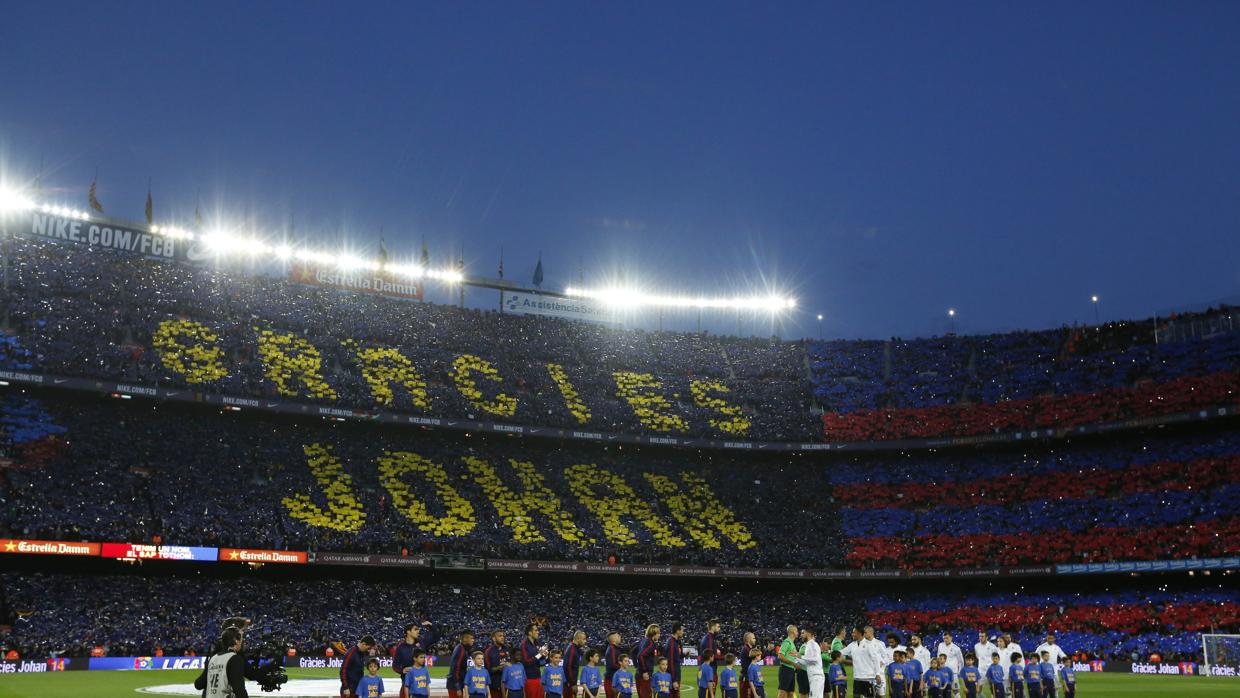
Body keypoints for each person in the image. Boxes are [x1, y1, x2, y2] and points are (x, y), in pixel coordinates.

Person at [194, 627, 249, 698]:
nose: (241, 643)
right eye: (241, 640)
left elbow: (198, 685)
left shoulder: (213, 658)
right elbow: (240, 691)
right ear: (236, 641)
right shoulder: (234, 658)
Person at [842, 627, 885, 698]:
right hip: (857, 678)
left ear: (859, 633)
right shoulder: (852, 645)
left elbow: (876, 660)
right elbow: (842, 652)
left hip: (868, 678)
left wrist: (877, 674)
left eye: (854, 632)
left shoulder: (869, 644)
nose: (852, 634)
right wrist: (828, 652)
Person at [522, 624, 550, 698]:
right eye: (536, 630)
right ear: (530, 633)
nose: (538, 632)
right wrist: (540, 654)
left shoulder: (537, 643)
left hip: (538, 677)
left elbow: (541, 662)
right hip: (529, 679)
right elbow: (526, 662)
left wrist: (545, 656)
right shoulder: (524, 644)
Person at [795, 628, 824, 698]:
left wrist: (801, 656)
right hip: (813, 677)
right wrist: (795, 657)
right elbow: (807, 662)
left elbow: (816, 659)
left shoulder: (812, 644)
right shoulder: (808, 645)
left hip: (816, 677)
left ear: (808, 634)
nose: (801, 635)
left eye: (803, 633)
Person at [634, 625, 661, 698]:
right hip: (644, 676)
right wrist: (644, 671)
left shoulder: (643, 640)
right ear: (653, 633)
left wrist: (637, 667)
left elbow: (633, 652)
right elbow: (641, 656)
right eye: (658, 633)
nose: (659, 635)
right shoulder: (650, 643)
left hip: (639, 674)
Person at [449, 631, 477, 698]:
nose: (473, 640)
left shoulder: (463, 649)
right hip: (455, 684)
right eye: (471, 638)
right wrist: (458, 687)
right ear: (465, 639)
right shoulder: (460, 650)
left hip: (458, 682)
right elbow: (455, 669)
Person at [777, 625, 801, 698]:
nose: (798, 632)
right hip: (785, 669)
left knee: (790, 693)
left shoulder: (792, 643)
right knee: (782, 692)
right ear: (793, 632)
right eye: (797, 631)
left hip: (791, 670)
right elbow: (780, 656)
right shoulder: (786, 642)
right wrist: (793, 663)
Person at [486, 631, 512, 698]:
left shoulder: (507, 649)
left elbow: (510, 663)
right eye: (500, 636)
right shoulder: (489, 651)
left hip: (508, 685)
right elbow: (487, 670)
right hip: (495, 687)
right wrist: (499, 668)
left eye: (503, 636)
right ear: (494, 639)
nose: (503, 638)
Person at [564, 632, 588, 698]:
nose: (585, 641)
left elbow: (581, 652)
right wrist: (572, 684)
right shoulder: (572, 649)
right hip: (569, 683)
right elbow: (568, 667)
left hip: (571, 682)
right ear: (578, 639)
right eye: (584, 639)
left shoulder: (575, 648)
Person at [702, 620, 722, 696]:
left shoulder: (708, 638)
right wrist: (724, 657)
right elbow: (710, 655)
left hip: (707, 670)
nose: (719, 628)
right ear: (713, 627)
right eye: (718, 626)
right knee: (710, 694)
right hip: (710, 671)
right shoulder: (709, 638)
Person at [666, 623, 686, 693]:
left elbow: (676, 657)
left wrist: (684, 655)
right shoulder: (671, 643)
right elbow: (670, 662)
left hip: (676, 675)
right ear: (678, 631)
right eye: (682, 630)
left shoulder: (677, 642)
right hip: (672, 677)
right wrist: (674, 680)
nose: (683, 632)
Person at [604, 632, 624, 698]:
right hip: (611, 680)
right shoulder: (612, 648)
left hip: (615, 679)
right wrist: (622, 667)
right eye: (618, 636)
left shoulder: (615, 648)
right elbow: (612, 664)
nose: (620, 637)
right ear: (614, 640)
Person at [739, 632, 757, 698]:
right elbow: (755, 656)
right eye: (753, 638)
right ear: (749, 639)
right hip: (746, 678)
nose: (755, 639)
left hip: (748, 677)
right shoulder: (746, 649)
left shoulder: (748, 649)